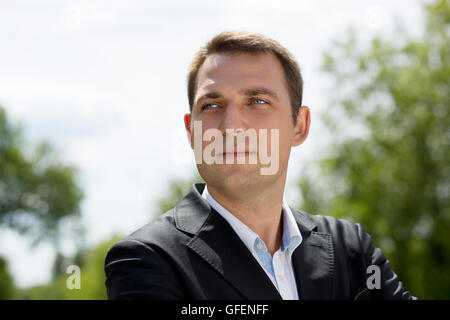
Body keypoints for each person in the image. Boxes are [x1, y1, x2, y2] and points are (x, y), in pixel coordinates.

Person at [104, 31, 416, 300]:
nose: (231, 126)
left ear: (299, 125)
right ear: (191, 131)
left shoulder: (350, 248)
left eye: (257, 101)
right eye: (211, 105)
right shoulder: (147, 259)